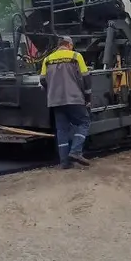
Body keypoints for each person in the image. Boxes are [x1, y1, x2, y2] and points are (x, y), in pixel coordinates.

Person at [40, 36, 93, 168]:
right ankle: (75, 151)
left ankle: (64, 162)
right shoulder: (76, 56)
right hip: (74, 98)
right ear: (69, 45)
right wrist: (88, 98)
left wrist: (51, 91)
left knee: (62, 130)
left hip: (55, 101)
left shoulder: (47, 59)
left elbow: (42, 80)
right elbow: (86, 78)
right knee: (84, 122)